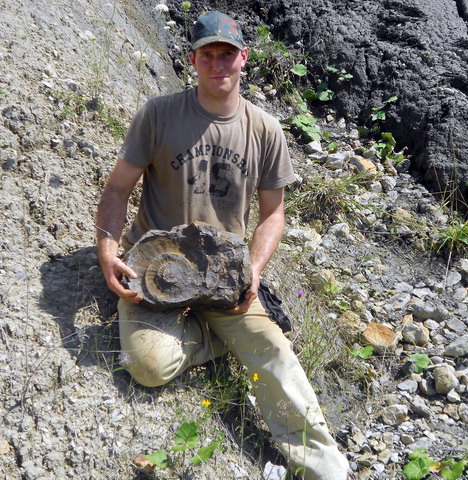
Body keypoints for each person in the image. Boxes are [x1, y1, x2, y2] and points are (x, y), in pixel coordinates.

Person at [95, 10, 349, 479]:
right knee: (146, 366)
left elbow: (274, 213)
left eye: (226, 55)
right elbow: (117, 190)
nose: (218, 65)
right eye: (207, 55)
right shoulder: (158, 115)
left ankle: (325, 468)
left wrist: (255, 268)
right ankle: (220, 341)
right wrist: (109, 251)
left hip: (225, 276)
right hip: (155, 269)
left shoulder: (265, 130)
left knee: (274, 354)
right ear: (193, 60)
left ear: (243, 58)